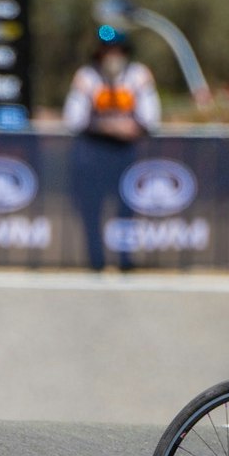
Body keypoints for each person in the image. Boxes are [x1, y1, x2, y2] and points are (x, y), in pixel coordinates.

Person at [63, 24, 160, 271]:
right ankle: (96, 261)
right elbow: (73, 119)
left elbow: (151, 118)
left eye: (116, 50)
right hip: (93, 152)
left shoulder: (138, 75)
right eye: (106, 50)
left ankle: (125, 260)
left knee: (126, 207)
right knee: (91, 208)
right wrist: (108, 126)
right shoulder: (87, 77)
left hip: (125, 153)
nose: (111, 56)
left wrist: (125, 128)